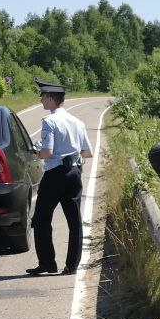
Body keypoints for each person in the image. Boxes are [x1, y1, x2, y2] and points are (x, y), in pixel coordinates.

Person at [30, 79, 92, 276]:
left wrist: (37, 151)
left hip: (55, 174)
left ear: (50, 98)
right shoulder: (78, 122)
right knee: (74, 221)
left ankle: (47, 263)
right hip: (74, 173)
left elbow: (47, 152)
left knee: (41, 218)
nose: (40, 101)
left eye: (42, 97)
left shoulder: (49, 122)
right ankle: (72, 266)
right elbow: (87, 152)